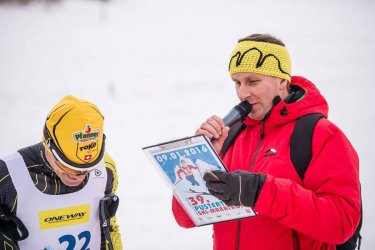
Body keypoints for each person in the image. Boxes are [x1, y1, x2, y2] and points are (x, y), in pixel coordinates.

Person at [172, 34, 361, 250]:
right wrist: (201, 157)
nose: (242, 93)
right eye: (237, 82)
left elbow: (341, 224)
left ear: (282, 81)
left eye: (253, 81)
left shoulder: (321, 134)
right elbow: (185, 219)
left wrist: (260, 190)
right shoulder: (231, 135)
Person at [0, 95, 122, 249]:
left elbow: (111, 228)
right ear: (48, 143)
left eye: (86, 170)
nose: (77, 176)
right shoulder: (7, 176)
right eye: (67, 165)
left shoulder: (106, 168)